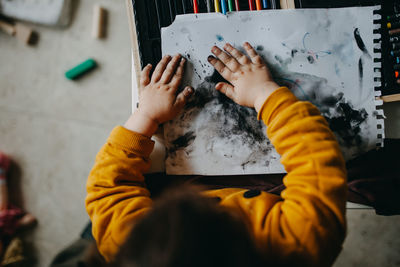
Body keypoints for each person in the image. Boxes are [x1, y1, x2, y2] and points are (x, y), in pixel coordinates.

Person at [85, 42, 347, 267]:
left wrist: (145, 116)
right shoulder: (301, 242)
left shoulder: (130, 244)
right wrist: (264, 94)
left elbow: (108, 189)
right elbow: (316, 162)